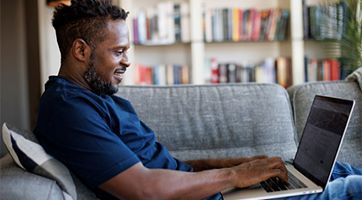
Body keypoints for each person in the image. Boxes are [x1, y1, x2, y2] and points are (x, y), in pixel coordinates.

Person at [34, 0, 362, 199]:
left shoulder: (99, 96)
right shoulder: (66, 109)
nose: (126, 61)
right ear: (80, 50)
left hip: (206, 191)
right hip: (207, 198)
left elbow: (169, 168)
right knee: (352, 189)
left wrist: (242, 166)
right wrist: (237, 176)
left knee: (338, 170)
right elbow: (144, 190)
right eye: (118, 52)